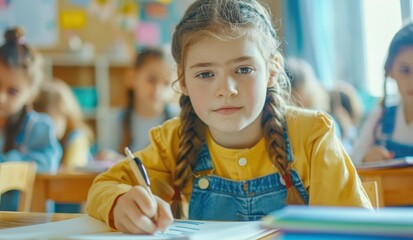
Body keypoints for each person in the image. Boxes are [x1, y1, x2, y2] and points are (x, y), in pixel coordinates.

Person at [87, 0, 371, 234]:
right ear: (182, 82)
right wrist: (120, 202)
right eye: (205, 74)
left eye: (243, 70)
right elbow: (104, 186)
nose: (226, 89)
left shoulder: (311, 135)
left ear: (272, 70)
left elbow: (350, 228)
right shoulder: (172, 140)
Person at [0, 27, 62, 210]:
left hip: (27, 227)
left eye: (13, 91)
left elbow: (47, 163)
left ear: (30, 94)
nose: (0, 97)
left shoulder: (38, 127)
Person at [97, 48, 179, 160]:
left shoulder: (180, 120)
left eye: (166, 83)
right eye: (151, 79)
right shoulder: (115, 120)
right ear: (132, 77)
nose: (157, 89)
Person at [351, 23, 413, 164]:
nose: (412, 81)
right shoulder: (380, 118)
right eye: (405, 71)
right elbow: (351, 160)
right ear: (390, 71)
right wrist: (366, 157)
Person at [34, 78, 93, 170]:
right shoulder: (45, 140)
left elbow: (71, 171)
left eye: (50, 123)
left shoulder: (77, 138)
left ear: (66, 115)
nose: (45, 129)